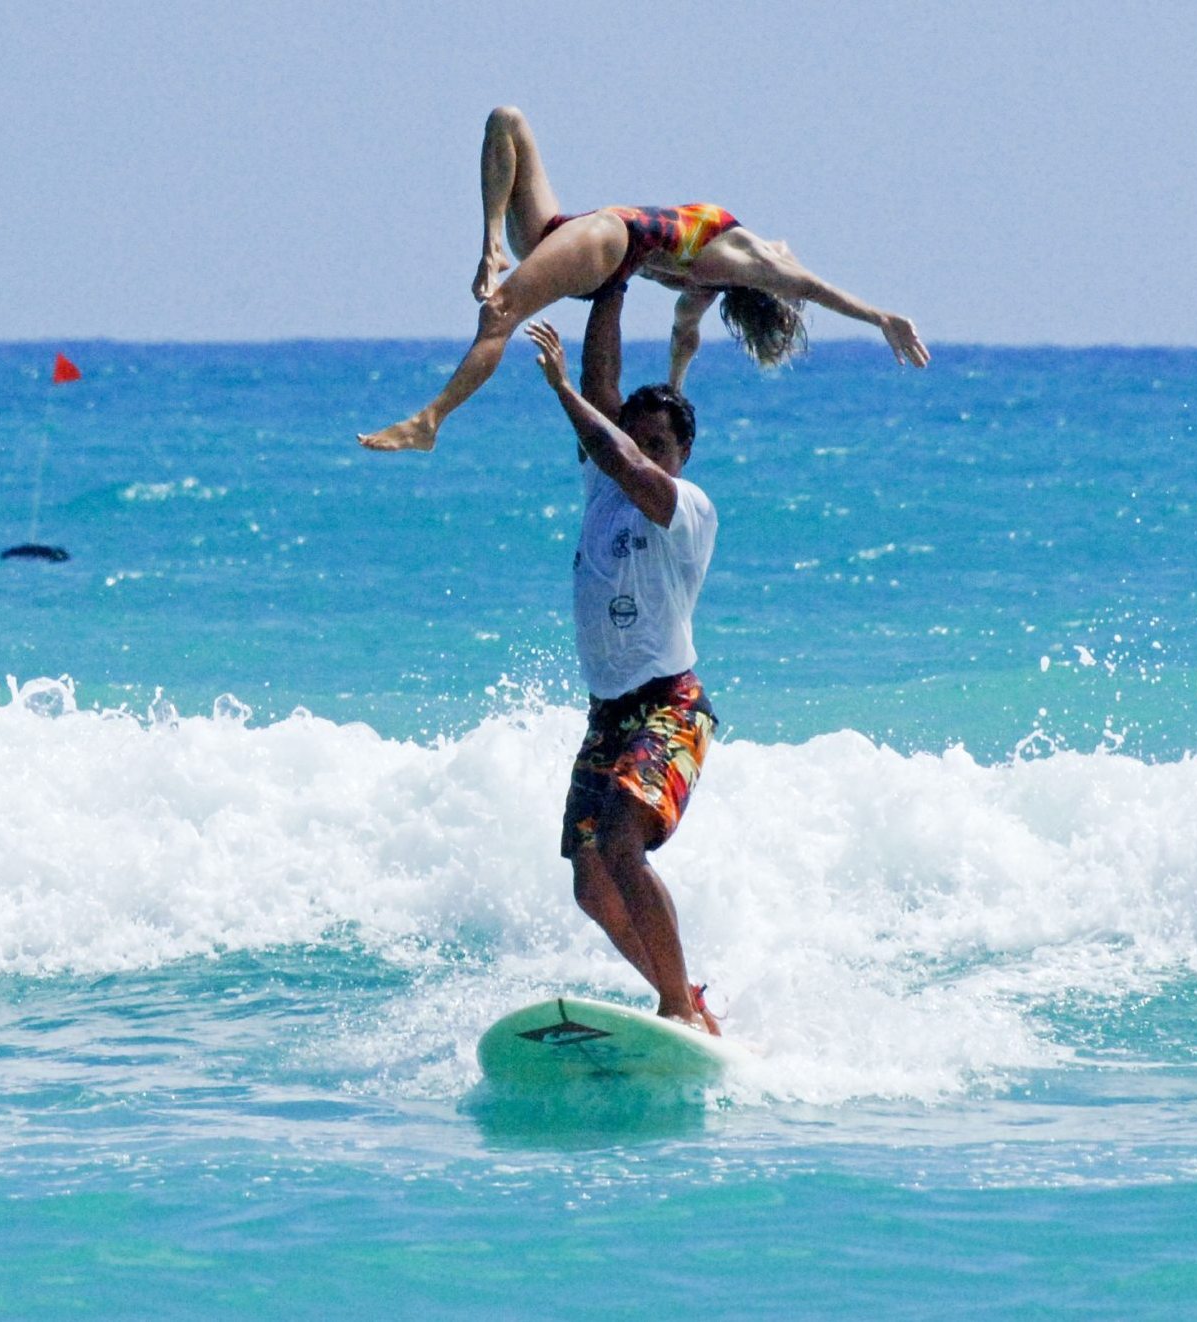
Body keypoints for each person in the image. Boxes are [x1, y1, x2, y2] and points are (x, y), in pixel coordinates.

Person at [359, 105, 929, 453]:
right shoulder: (706, 288)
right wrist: (677, 394)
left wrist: (880, 317)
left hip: (609, 241)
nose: (790, 250)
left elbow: (810, 287)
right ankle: (490, 244)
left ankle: (430, 421)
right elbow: (685, 338)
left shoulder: (755, 259)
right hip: (574, 236)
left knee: (500, 315)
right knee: (505, 121)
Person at [526, 284, 720, 1033]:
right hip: (610, 714)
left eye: (659, 445)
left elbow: (619, 451)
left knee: (621, 838)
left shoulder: (684, 505)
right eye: (636, 440)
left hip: (670, 706)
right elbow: (607, 411)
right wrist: (611, 287)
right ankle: (687, 999)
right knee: (588, 879)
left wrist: (561, 391)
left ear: (682, 454)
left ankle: (674, 1003)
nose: (642, 454)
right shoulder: (599, 485)